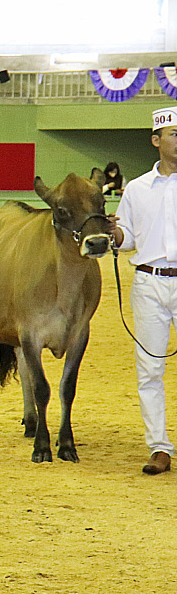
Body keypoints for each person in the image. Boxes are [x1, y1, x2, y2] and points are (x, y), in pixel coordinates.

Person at [109, 106, 177, 475]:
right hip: (149, 282)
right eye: (175, 134)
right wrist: (114, 232)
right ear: (157, 141)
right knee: (150, 368)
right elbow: (128, 239)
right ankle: (159, 447)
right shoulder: (135, 189)